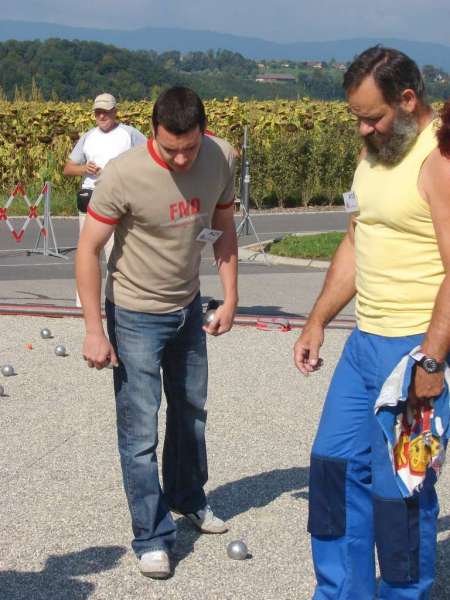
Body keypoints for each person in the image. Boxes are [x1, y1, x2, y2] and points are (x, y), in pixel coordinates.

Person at [294, 47, 450, 599]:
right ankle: (340, 592)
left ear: (408, 100)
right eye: (356, 116)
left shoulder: (439, 160)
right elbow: (357, 241)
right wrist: (316, 320)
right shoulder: (375, 153)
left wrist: (431, 360)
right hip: (363, 346)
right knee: (332, 469)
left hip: (414, 352)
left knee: (399, 493)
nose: (364, 127)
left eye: (373, 116)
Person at [76, 86, 238, 579]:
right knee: (141, 430)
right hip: (133, 314)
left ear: (203, 131)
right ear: (153, 133)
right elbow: (87, 251)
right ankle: (151, 535)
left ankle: (189, 498)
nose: (183, 158)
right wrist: (93, 329)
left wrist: (229, 296)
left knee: (191, 415)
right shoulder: (124, 174)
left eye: (190, 146)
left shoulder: (221, 156)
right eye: (171, 149)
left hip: (187, 308)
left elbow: (224, 224)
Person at [63, 93, 146, 305]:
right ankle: (83, 303)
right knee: (87, 251)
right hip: (91, 198)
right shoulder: (88, 136)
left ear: (115, 111)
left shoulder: (130, 134)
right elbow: (68, 168)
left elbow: (149, 157)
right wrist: (84, 168)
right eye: (98, 112)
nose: (102, 116)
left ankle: (115, 301)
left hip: (119, 200)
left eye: (106, 111)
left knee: (116, 253)